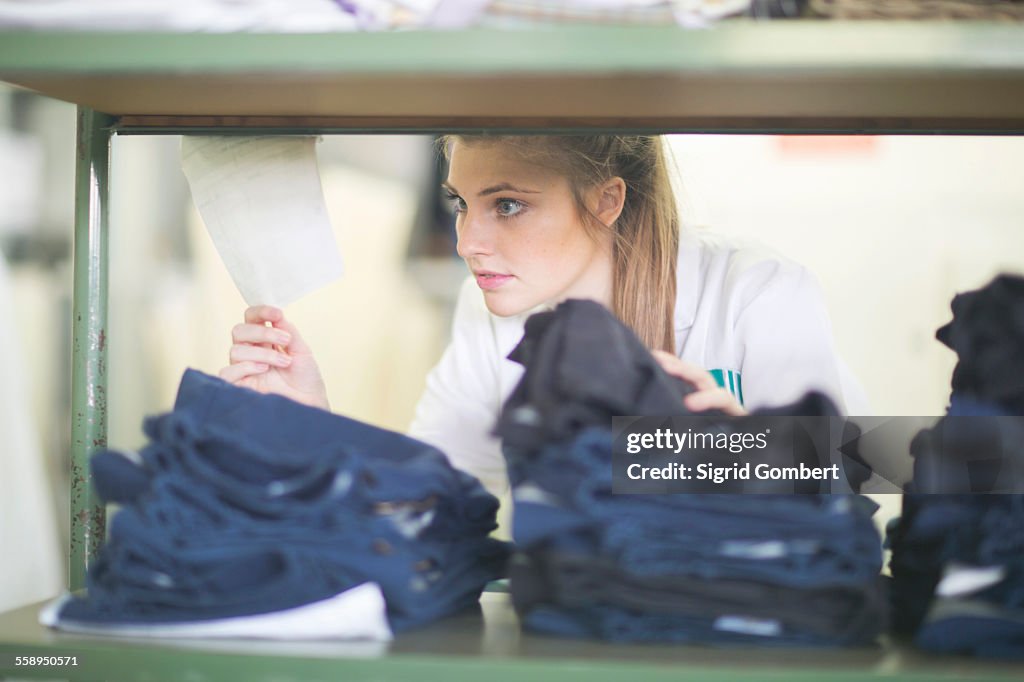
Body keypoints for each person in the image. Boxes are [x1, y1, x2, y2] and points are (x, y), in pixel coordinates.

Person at [219, 135, 866, 495]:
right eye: (461, 203)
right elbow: (425, 496)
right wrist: (315, 426)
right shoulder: (491, 317)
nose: (468, 241)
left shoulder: (753, 291)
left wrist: (734, 447)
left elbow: (867, 467)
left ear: (606, 198)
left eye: (506, 206)